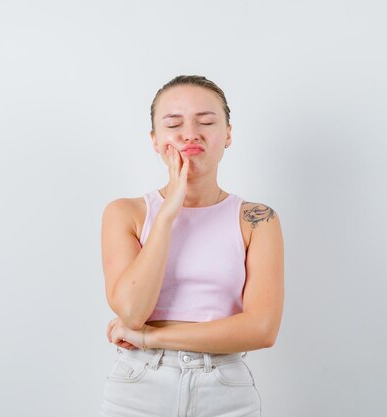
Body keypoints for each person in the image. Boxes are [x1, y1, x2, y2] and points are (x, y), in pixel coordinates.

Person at [99, 75, 284, 417]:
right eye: (174, 123)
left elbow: (261, 329)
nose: (190, 133)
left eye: (207, 121)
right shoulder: (126, 213)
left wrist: (149, 337)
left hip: (226, 390)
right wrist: (168, 214)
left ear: (227, 134)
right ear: (155, 141)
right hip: (138, 387)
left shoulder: (257, 219)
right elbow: (133, 311)